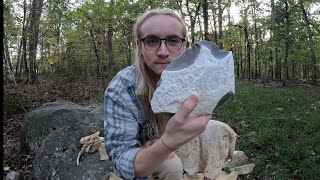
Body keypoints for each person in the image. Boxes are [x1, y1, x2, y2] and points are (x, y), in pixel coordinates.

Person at [104, 8, 236, 180]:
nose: (163, 52)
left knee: (220, 129)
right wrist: (164, 144)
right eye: (152, 41)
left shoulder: (194, 78)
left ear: (184, 45)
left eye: (173, 41)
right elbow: (121, 161)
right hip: (146, 152)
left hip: (167, 140)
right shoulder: (121, 89)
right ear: (139, 46)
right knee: (171, 166)